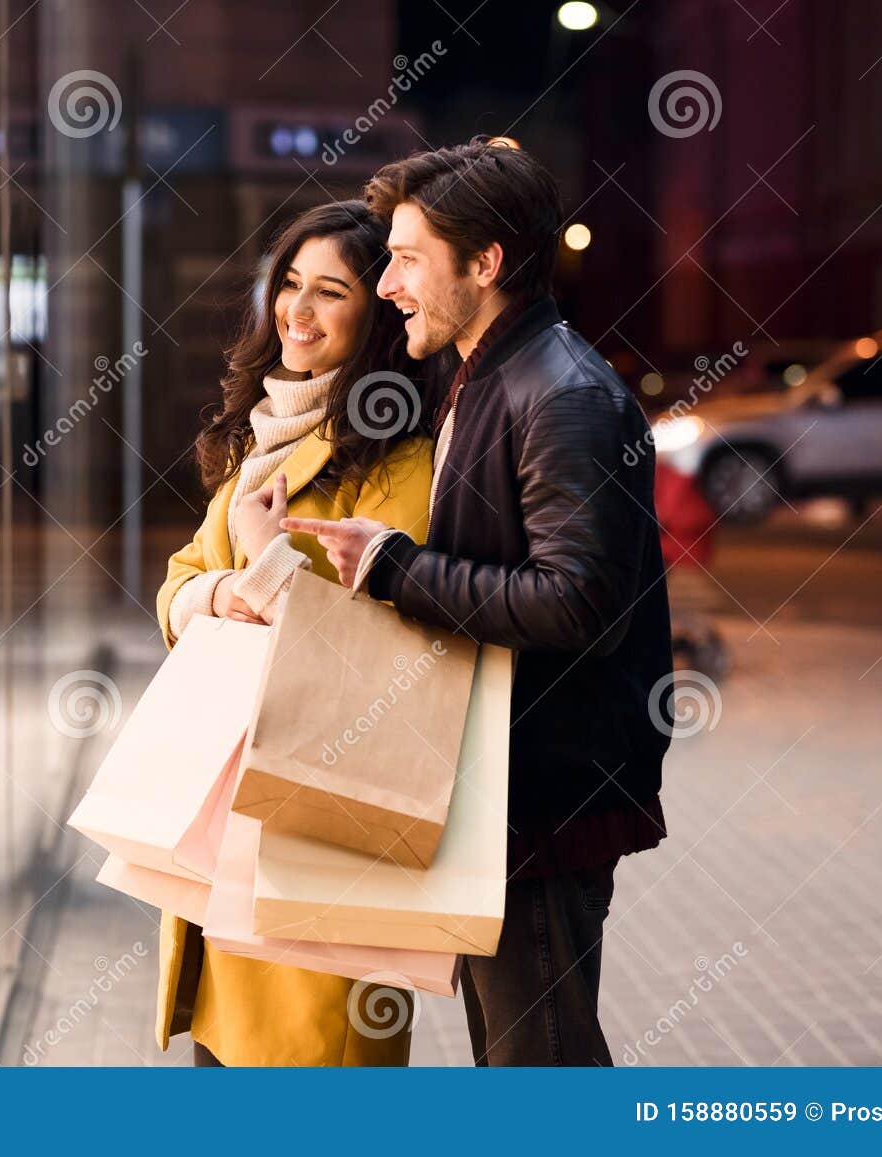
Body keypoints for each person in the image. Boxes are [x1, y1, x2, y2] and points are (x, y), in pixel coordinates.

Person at [284, 140, 675, 1066]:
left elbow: (580, 602)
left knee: (537, 1060)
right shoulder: (490, 369)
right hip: (513, 787)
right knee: (521, 1055)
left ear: (487, 263)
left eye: (408, 258)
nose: (386, 285)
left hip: (550, 794)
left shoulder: (564, 392)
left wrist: (394, 568)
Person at [155, 200, 440, 1067]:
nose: (298, 311)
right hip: (224, 803)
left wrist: (266, 565)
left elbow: (387, 636)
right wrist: (226, 591)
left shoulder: (397, 458)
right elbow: (177, 581)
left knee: (314, 1069)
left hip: (320, 811)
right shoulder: (263, 438)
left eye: (329, 292)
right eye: (289, 284)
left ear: (375, 316)